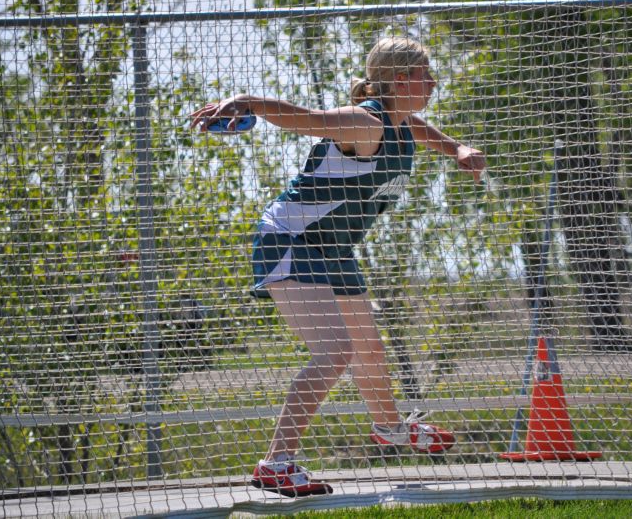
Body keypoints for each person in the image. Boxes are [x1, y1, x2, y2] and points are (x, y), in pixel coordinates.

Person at [190, 37, 486, 498]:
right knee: (336, 352)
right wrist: (248, 103)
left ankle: (391, 430)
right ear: (402, 79)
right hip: (292, 240)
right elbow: (305, 120)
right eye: (427, 74)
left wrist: (458, 150)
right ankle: (277, 462)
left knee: (370, 351)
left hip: (334, 249)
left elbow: (422, 131)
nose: (434, 82)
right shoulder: (364, 123)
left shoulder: (401, 122)